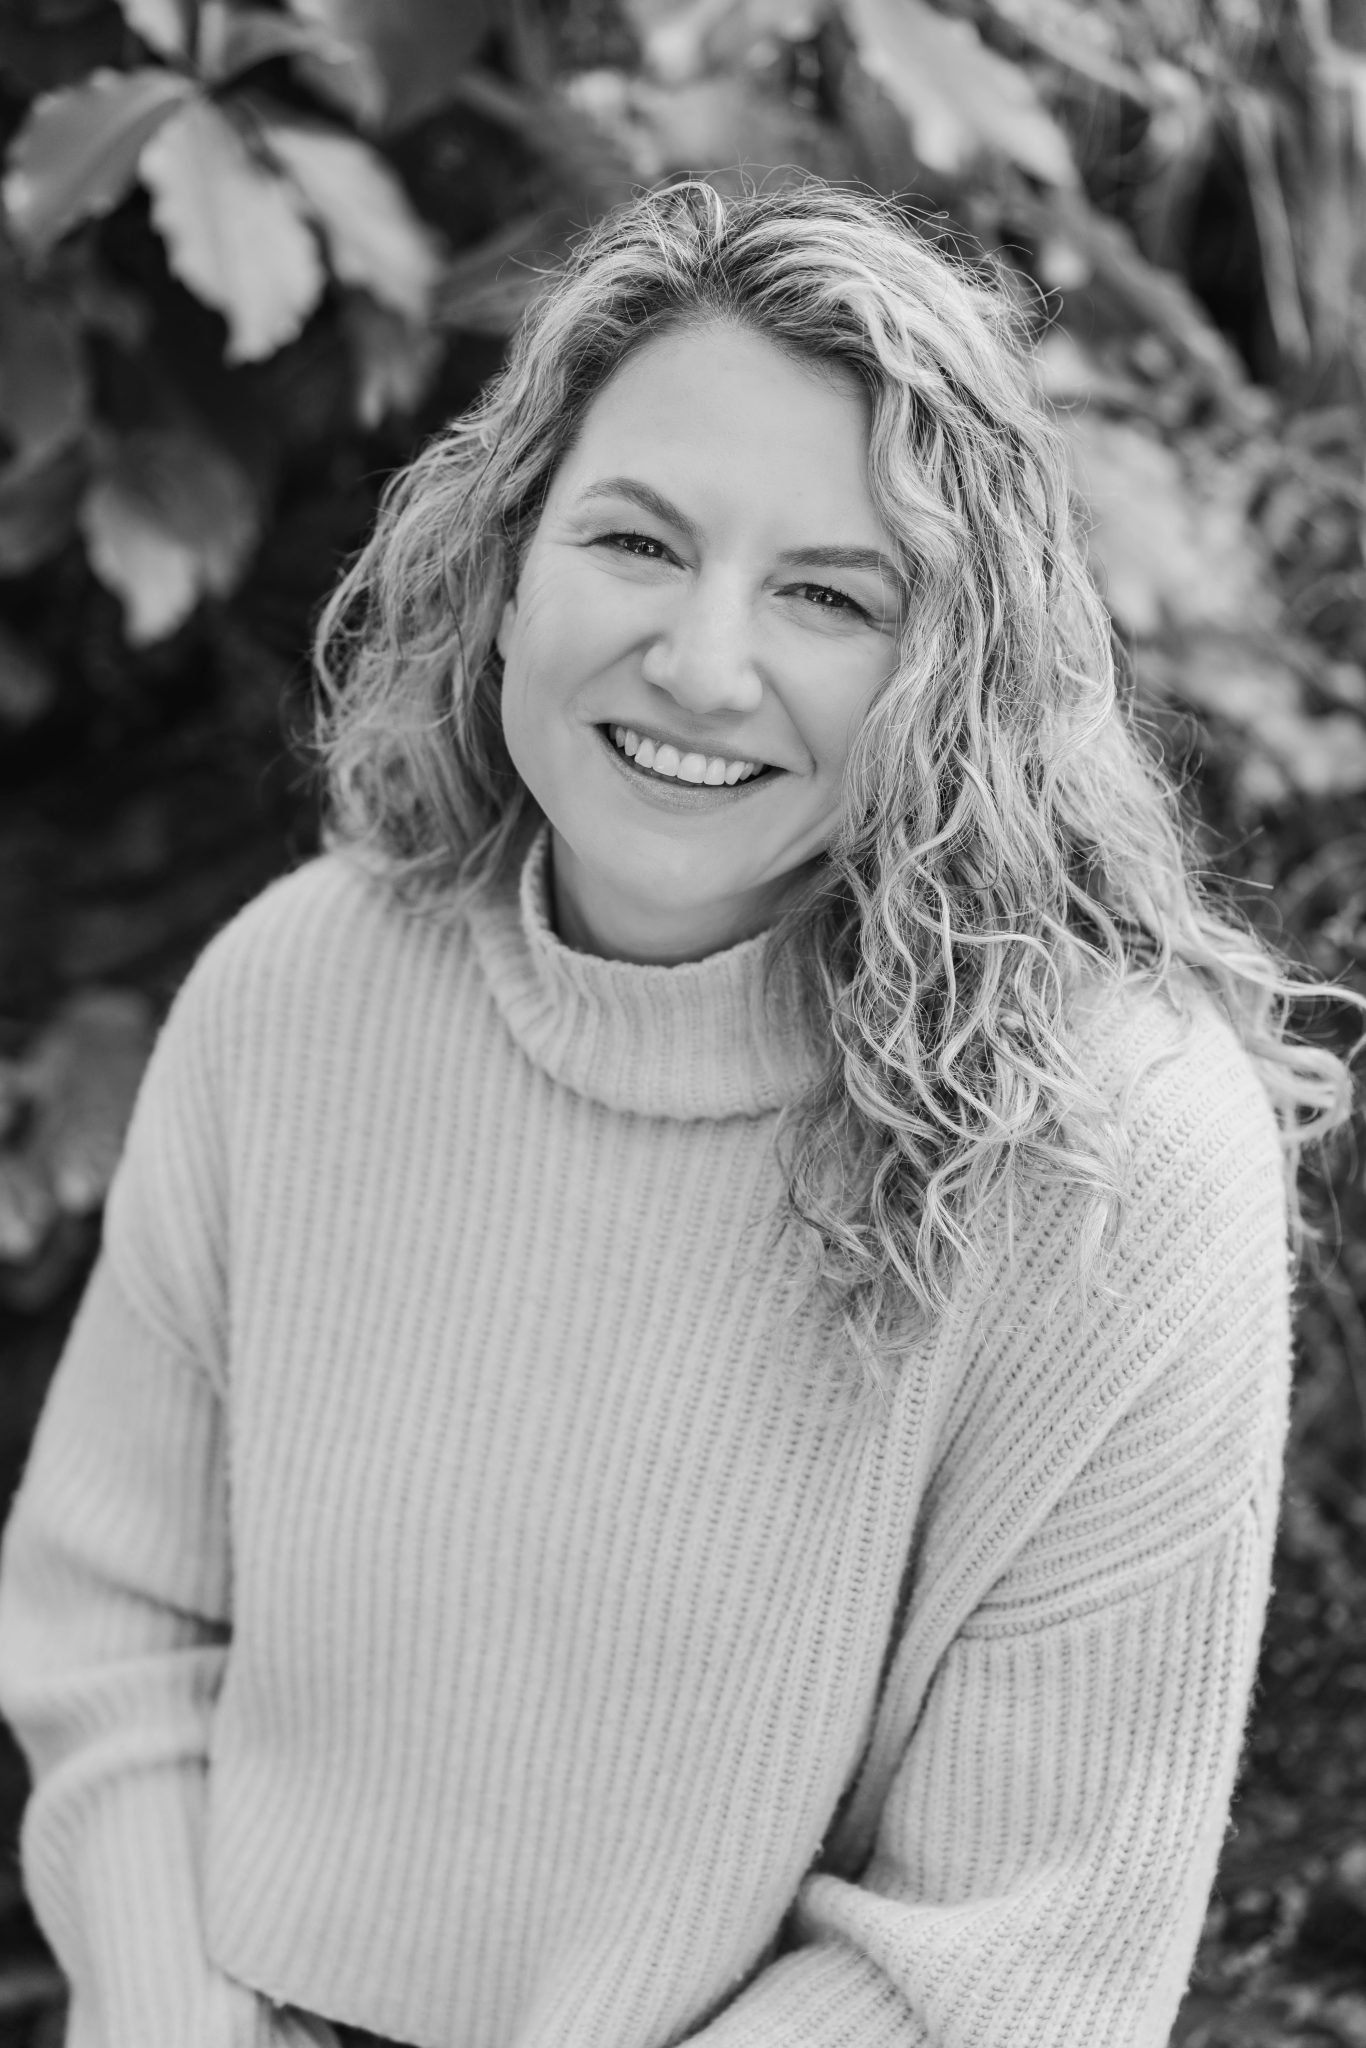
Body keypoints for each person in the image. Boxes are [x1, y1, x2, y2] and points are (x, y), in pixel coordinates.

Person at [0, 178, 1355, 2048]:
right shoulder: (297, 990)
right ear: (507, 563)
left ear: (956, 670)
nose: (704, 667)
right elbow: (116, 1630)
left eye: (829, 594)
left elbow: (1010, 1950)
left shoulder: (1114, 1156)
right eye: (637, 541)